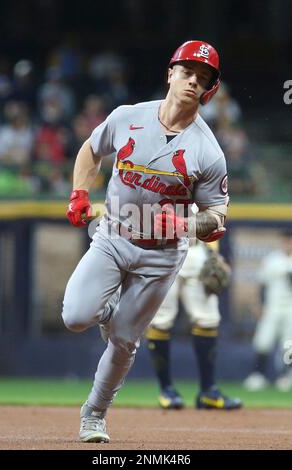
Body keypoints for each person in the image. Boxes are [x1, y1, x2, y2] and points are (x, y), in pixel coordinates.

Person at [62, 40, 229, 443]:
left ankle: (94, 415)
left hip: (162, 256)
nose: (193, 80)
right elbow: (90, 149)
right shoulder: (127, 117)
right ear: (170, 73)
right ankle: (110, 306)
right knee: (75, 317)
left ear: (209, 91)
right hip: (114, 237)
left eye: (203, 77)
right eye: (187, 71)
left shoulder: (208, 151)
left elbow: (217, 218)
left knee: (123, 339)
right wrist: (79, 193)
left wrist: (187, 227)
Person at [147, 241, 242, 410]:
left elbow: (211, 217)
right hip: (161, 249)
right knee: (161, 320)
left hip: (197, 249)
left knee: (208, 320)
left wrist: (213, 253)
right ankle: (166, 390)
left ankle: (208, 391)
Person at [244, 230, 292, 392]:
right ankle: (259, 375)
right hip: (273, 306)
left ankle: (286, 376)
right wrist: (258, 305)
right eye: (286, 240)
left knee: (289, 344)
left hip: (291, 308)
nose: (288, 244)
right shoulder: (273, 259)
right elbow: (261, 284)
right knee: (263, 341)